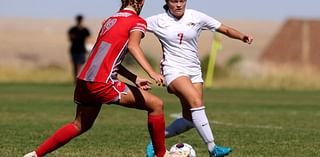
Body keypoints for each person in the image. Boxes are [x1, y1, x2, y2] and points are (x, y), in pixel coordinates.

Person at [23, 0, 169, 157]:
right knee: (156, 104)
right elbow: (133, 46)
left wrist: (135, 78)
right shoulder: (137, 21)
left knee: (80, 125)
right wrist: (152, 73)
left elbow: (105, 58)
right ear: (142, 2)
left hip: (85, 80)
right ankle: (162, 155)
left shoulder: (110, 20)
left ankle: (34, 155)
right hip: (102, 83)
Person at [145, 0, 254, 157]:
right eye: (174, 1)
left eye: (181, 0)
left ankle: (155, 141)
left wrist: (242, 36)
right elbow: (132, 25)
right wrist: (112, 22)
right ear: (167, 2)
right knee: (196, 102)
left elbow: (223, 28)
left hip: (194, 71)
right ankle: (212, 148)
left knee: (190, 119)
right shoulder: (158, 20)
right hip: (173, 70)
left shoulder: (196, 16)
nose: (178, 4)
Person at [68, 14, 91, 82]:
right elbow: (70, 38)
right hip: (74, 49)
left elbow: (88, 39)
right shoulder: (73, 29)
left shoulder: (85, 30)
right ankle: (76, 80)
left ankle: (80, 79)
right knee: (75, 65)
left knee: (81, 65)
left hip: (82, 50)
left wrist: (88, 47)